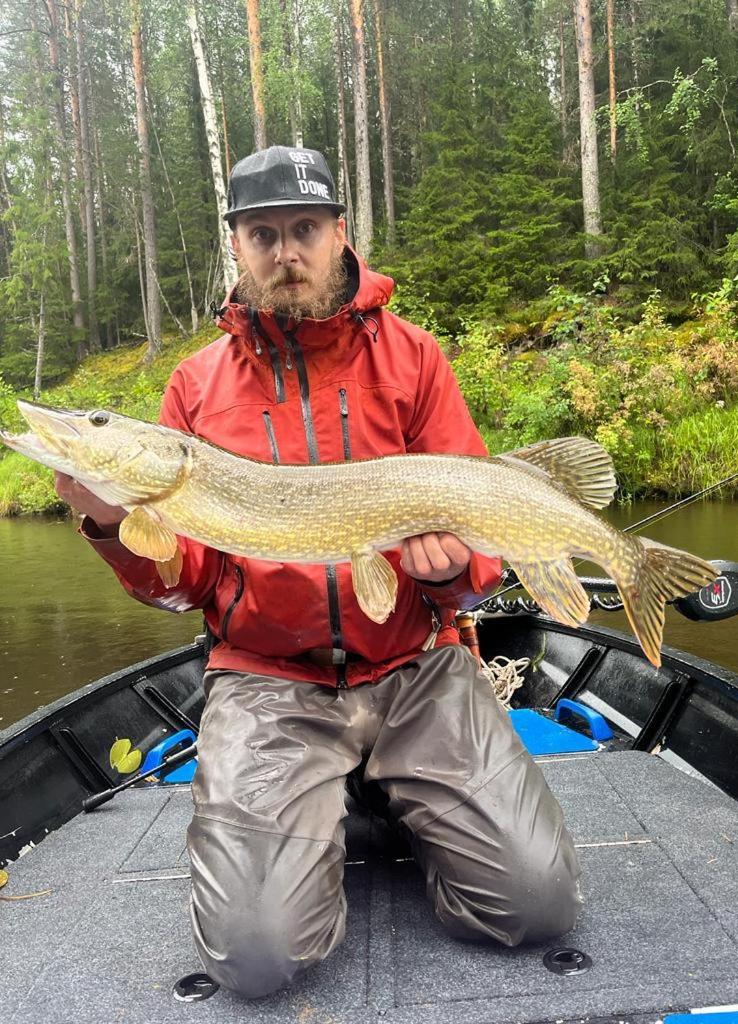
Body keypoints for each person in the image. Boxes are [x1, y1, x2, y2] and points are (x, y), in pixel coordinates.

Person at [55, 145, 580, 1000]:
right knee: (258, 961)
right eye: (263, 235)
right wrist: (113, 523)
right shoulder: (194, 388)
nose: (285, 252)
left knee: (537, 906)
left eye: (304, 229)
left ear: (340, 233)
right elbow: (180, 583)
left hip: (417, 669)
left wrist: (450, 579)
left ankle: (379, 797)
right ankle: (338, 803)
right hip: (270, 681)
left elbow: (480, 550)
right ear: (237, 247)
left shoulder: (413, 360)